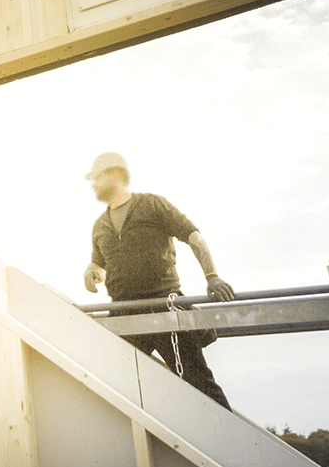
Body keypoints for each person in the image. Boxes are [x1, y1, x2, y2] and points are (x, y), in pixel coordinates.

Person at [81, 151, 236, 407]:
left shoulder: (153, 204)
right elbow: (98, 262)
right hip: (123, 313)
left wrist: (212, 277)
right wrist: (92, 272)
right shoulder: (100, 224)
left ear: (115, 175)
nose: (93, 185)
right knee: (115, 388)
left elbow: (194, 237)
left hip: (165, 306)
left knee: (199, 385)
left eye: (96, 178)